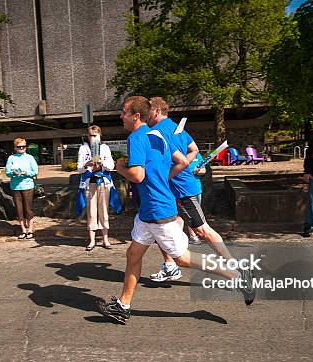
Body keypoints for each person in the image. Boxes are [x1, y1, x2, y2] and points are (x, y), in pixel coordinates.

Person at [96, 96, 254, 324]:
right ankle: (123, 306)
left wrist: (119, 167)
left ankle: (238, 277)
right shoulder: (158, 134)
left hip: (159, 212)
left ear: (136, 116)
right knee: (133, 255)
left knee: (182, 259)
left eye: (124, 112)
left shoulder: (136, 138)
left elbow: (138, 175)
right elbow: (181, 160)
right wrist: (162, 178)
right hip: (149, 211)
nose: (121, 116)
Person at [146, 97, 235, 284]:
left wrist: (170, 174)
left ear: (156, 111)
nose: (146, 115)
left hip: (181, 189)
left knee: (203, 230)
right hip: (172, 189)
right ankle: (170, 266)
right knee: (168, 227)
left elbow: (185, 157)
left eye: (148, 111)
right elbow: (193, 149)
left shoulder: (157, 131)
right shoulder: (175, 127)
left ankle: (235, 268)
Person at [76, 125, 115, 250]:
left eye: (95, 135)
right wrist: (86, 164)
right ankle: (92, 240)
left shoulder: (105, 148)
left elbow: (111, 165)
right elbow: (79, 168)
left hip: (103, 181)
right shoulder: (83, 148)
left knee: (103, 210)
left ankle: (105, 239)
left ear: (100, 135)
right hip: (89, 182)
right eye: (90, 135)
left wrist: (102, 163)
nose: (92, 138)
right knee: (91, 211)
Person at [5, 138, 39, 240]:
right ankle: (23, 229)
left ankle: (30, 230)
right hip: (15, 186)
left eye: (23, 146)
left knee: (28, 209)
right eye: (19, 147)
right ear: (15, 147)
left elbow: (35, 171)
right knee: (19, 209)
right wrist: (13, 173)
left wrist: (26, 173)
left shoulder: (30, 158)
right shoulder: (11, 158)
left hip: (28, 186)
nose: (21, 148)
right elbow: (7, 171)